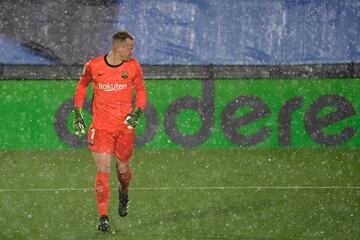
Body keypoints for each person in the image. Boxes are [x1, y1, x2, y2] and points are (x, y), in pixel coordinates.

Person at [72, 31, 147, 233]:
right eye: (130, 47)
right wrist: (78, 113)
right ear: (118, 47)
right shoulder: (94, 65)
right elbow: (82, 85)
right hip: (101, 127)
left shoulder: (133, 67)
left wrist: (138, 112)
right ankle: (103, 217)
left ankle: (124, 191)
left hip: (125, 128)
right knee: (103, 170)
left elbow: (141, 91)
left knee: (123, 171)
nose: (132, 51)